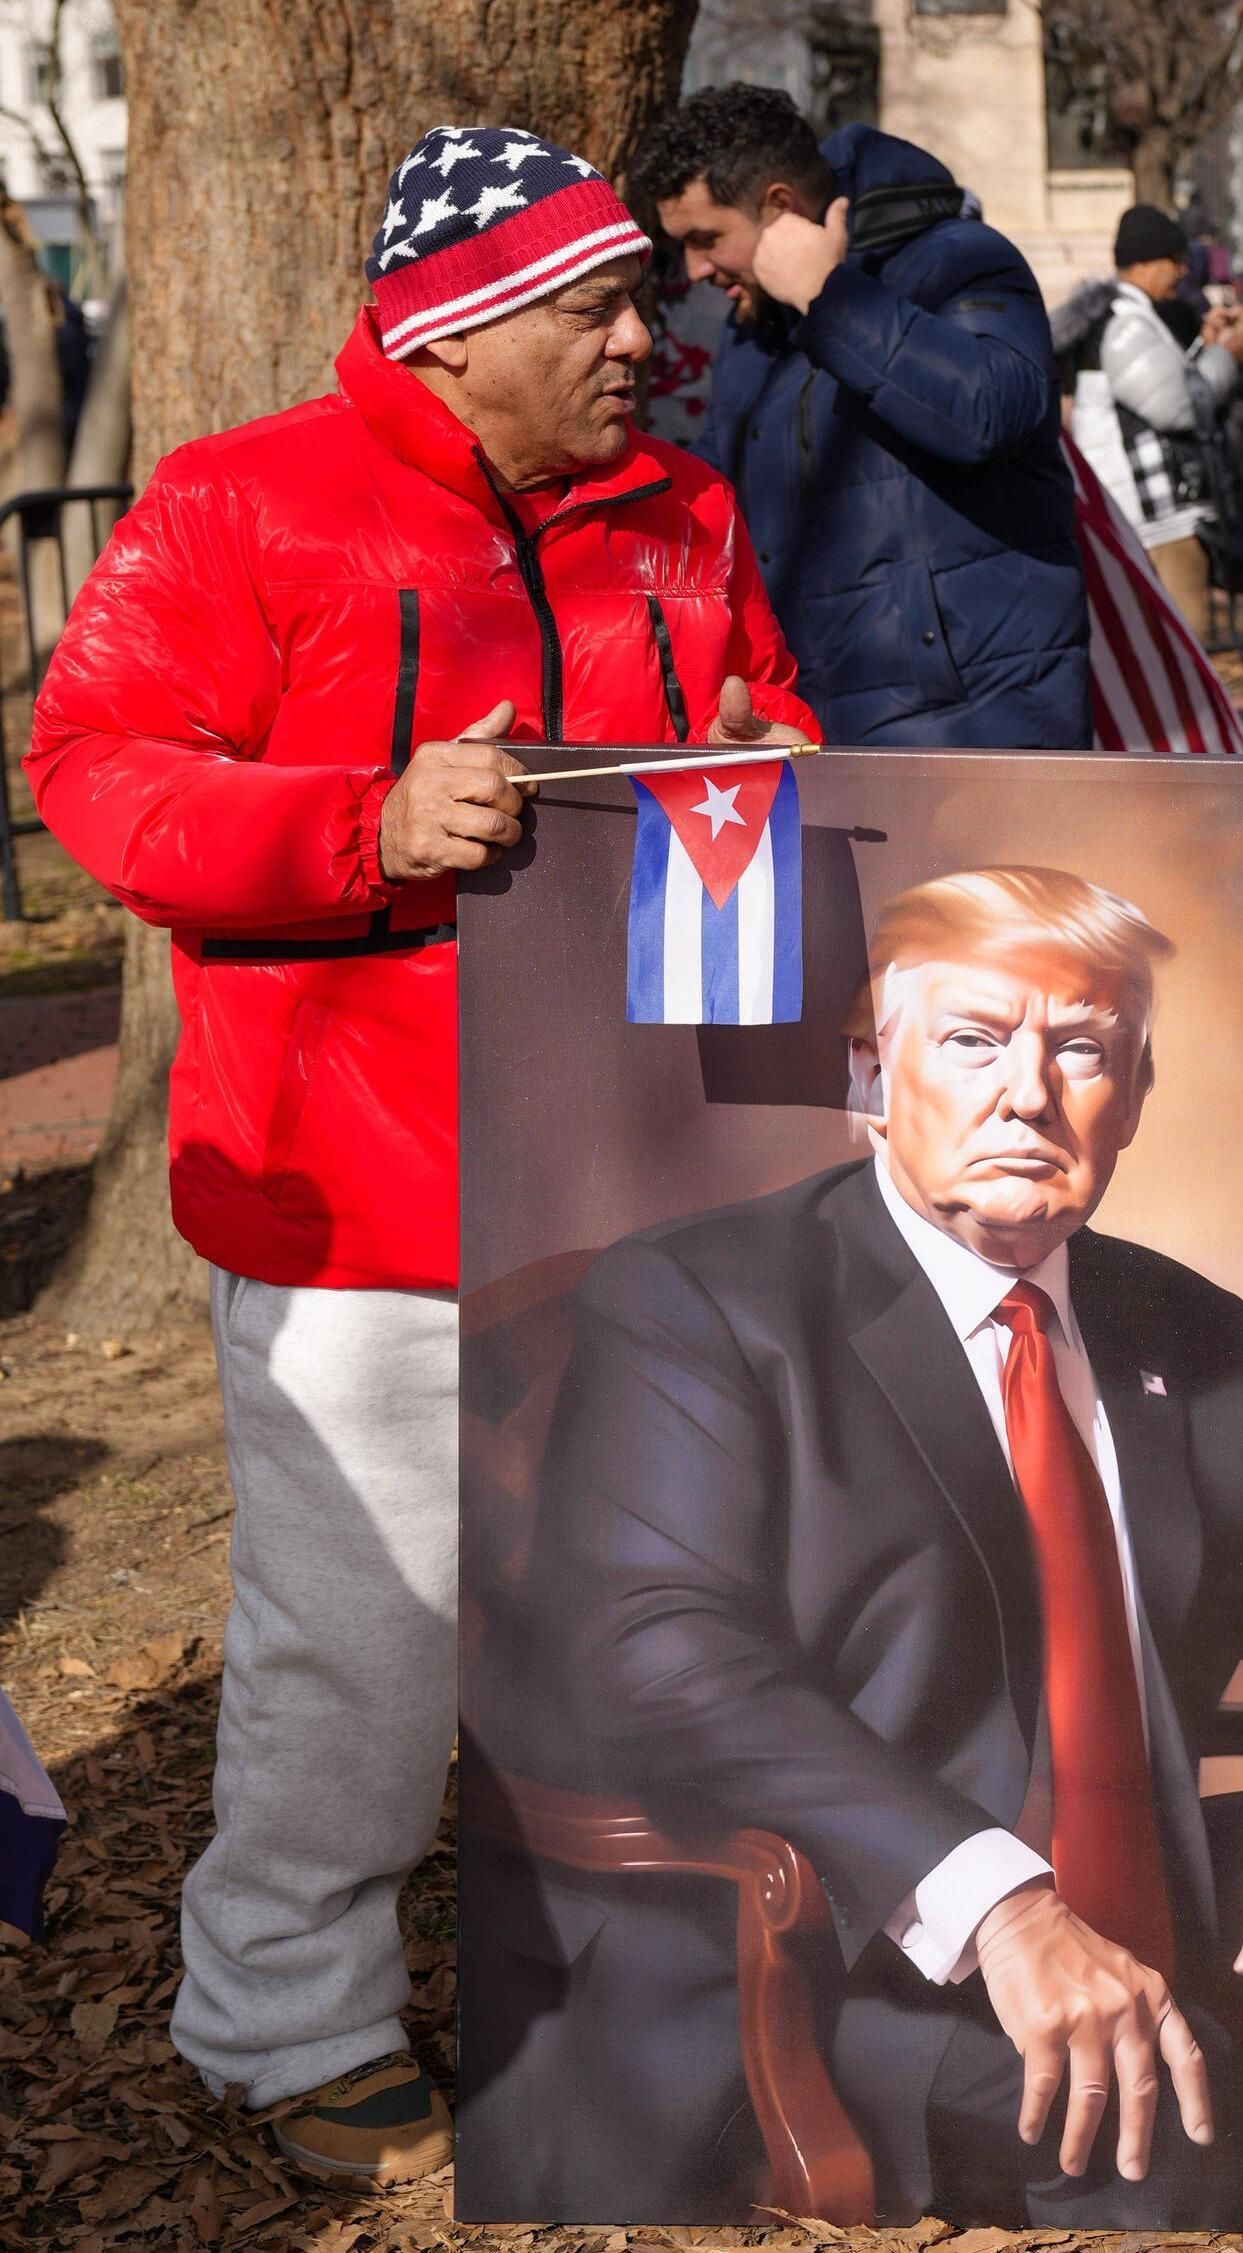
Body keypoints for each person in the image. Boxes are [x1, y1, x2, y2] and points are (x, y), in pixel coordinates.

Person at [23, 124, 819, 2186]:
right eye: (601, 307)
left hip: (642, 1178)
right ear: (461, 334)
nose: (651, 338)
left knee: (661, 1600)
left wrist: (781, 760)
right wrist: (357, 825)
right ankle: (279, 2004)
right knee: (360, 1638)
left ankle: (659, 1978)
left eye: (649, 297)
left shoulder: (687, 508)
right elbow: (95, 770)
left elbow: (762, 720)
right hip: (347, 1189)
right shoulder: (236, 501)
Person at [467, 867, 1243, 2226]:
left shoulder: (1183, 1325)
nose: (1028, 1094)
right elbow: (657, 1650)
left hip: (1146, 1874)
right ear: (874, 1077)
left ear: (1137, 1094)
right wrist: (1000, 1905)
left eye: (1081, 1048)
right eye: (975, 1040)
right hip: (856, 1942)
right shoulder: (706, 1298)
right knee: (1159, 2113)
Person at [640, 86, 1091, 750]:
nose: (694, 269)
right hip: (821, 721)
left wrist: (829, 298)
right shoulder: (755, 327)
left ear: (780, 209)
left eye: (706, 239)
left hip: (977, 724)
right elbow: (713, 492)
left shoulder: (959, 259)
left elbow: (991, 412)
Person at [1049, 204, 1243, 624]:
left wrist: (1204, 348)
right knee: (1184, 639)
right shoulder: (1127, 325)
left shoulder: (1128, 318)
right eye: (1176, 260)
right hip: (1157, 522)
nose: (1184, 271)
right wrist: (1226, 358)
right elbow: (1178, 406)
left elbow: (1160, 389)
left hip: (1146, 515)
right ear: (1145, 263)